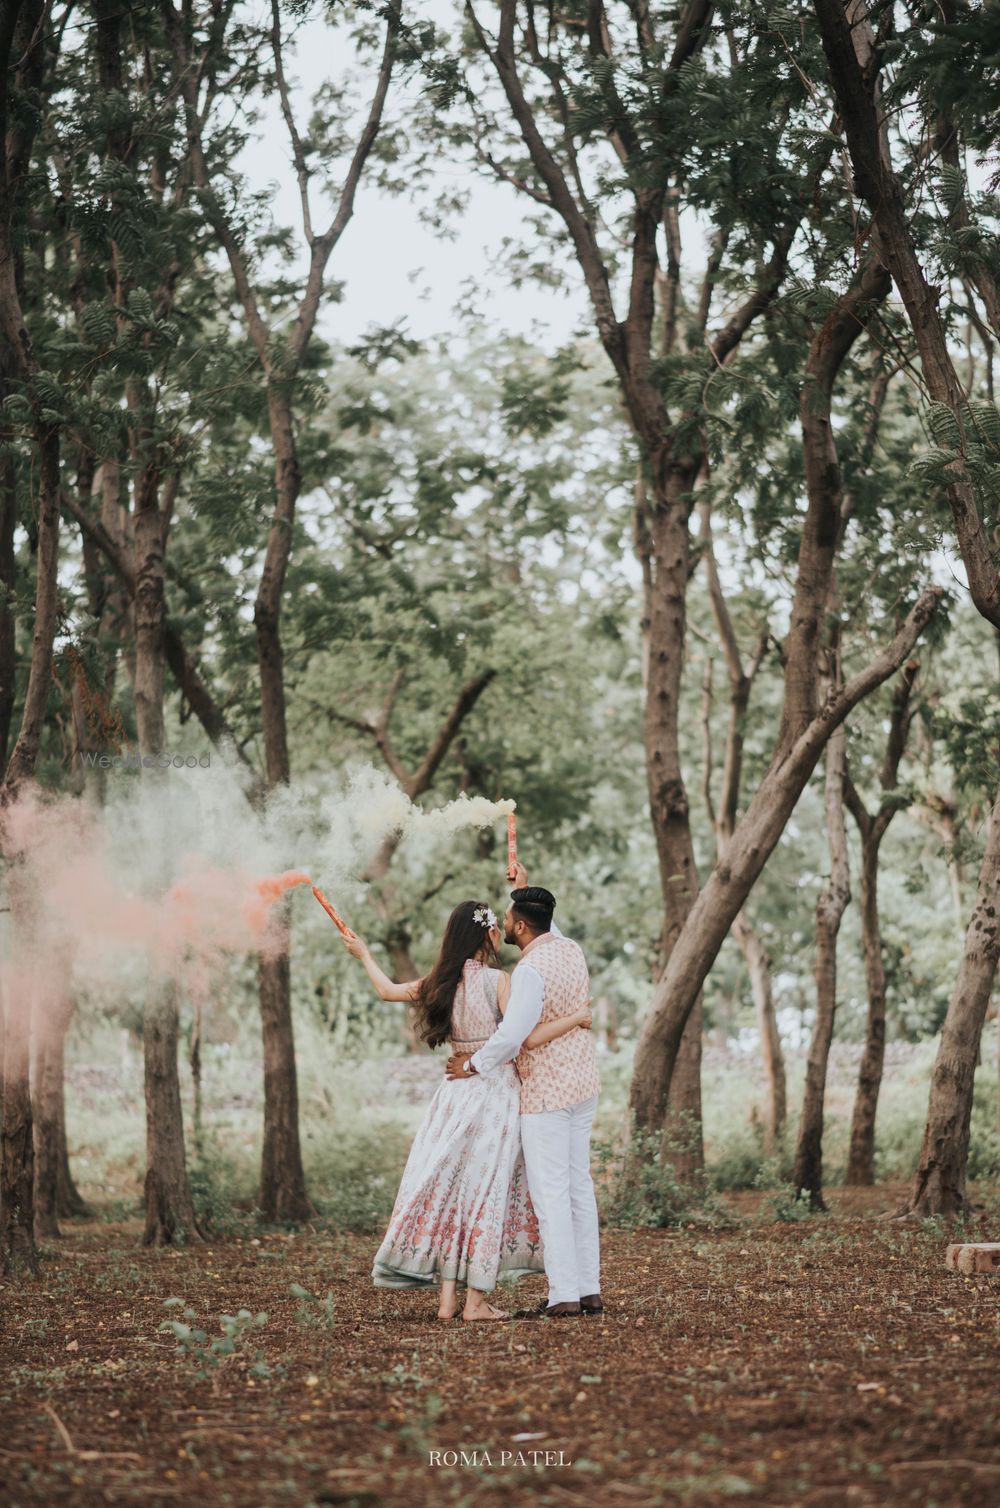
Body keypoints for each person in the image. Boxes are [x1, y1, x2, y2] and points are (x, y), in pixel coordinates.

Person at [338, 900, 593, 1321]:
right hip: (494, 1094)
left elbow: (386, 991)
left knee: (455, 1191)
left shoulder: (439, 983)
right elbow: (522, 1036)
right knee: (485, 1192)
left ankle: (447, 1302)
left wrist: (363, 953)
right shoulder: (499, 981)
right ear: (491, 935)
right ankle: (475, 1303)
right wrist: (577, 1018)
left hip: (453, 1095)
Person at [446, 866, 602, 1318]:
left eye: (510, 917)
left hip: (547, 1095)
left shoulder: (530, 970)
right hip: (583, 1084)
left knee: (550, 1192)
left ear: (518, 926)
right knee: (578, 1188)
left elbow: (516, 1037)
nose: (505, 925)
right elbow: (546, 922)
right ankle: (588, 1287)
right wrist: (524, 885)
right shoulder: (571, 949)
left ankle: (564, 1295)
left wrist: (472, 1065)